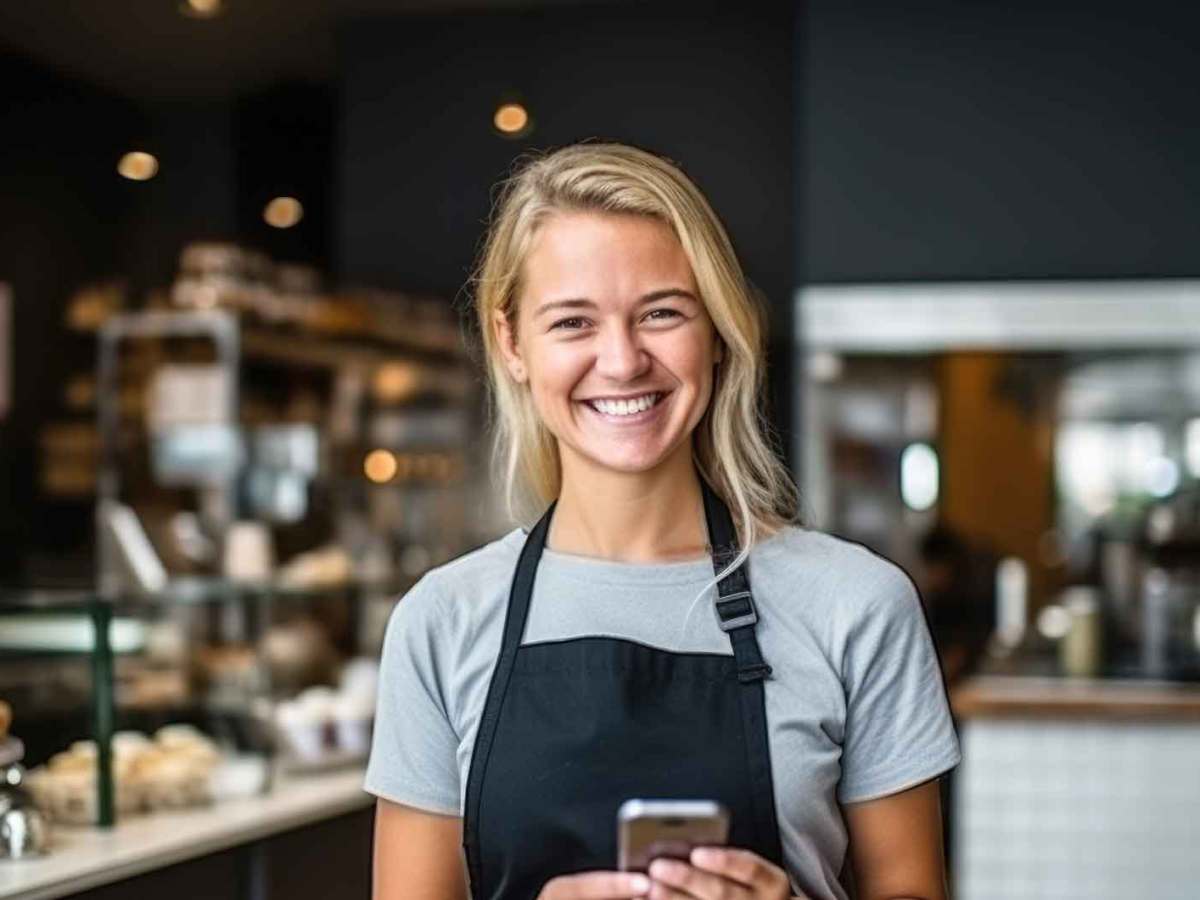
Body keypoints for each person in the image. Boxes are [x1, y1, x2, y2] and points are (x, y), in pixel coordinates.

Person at [366, 142, 961, 900]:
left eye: (661, 313)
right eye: (573, 322)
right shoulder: (440, 622)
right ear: (512, 344)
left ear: (716, 330)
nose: (621, 361)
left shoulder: (858, 605)